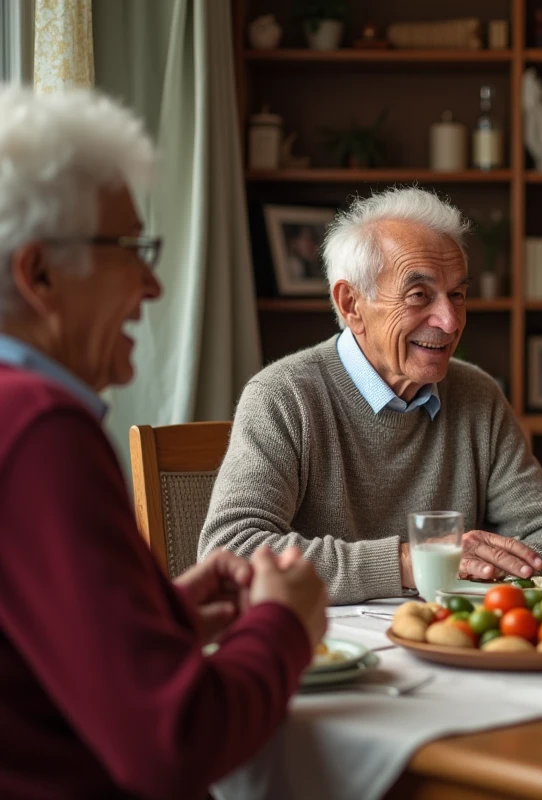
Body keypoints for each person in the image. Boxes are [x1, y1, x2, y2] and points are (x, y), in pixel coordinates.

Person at [0, 83, 328, 798]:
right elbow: (174, 744)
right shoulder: (38, 430)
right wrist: (283, 624)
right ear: (40, 274)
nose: (151, 284)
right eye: (129, 248)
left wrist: (166, 614)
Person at [199, 187, 542, 604]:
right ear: (351, 304)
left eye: (457, 295)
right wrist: (412, 562)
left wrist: (492, 565)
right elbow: (232, 552)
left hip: (454, 645)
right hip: (326, 649)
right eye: (419, 296)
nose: (448, 322)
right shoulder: (283, 397)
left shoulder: (477, 395)